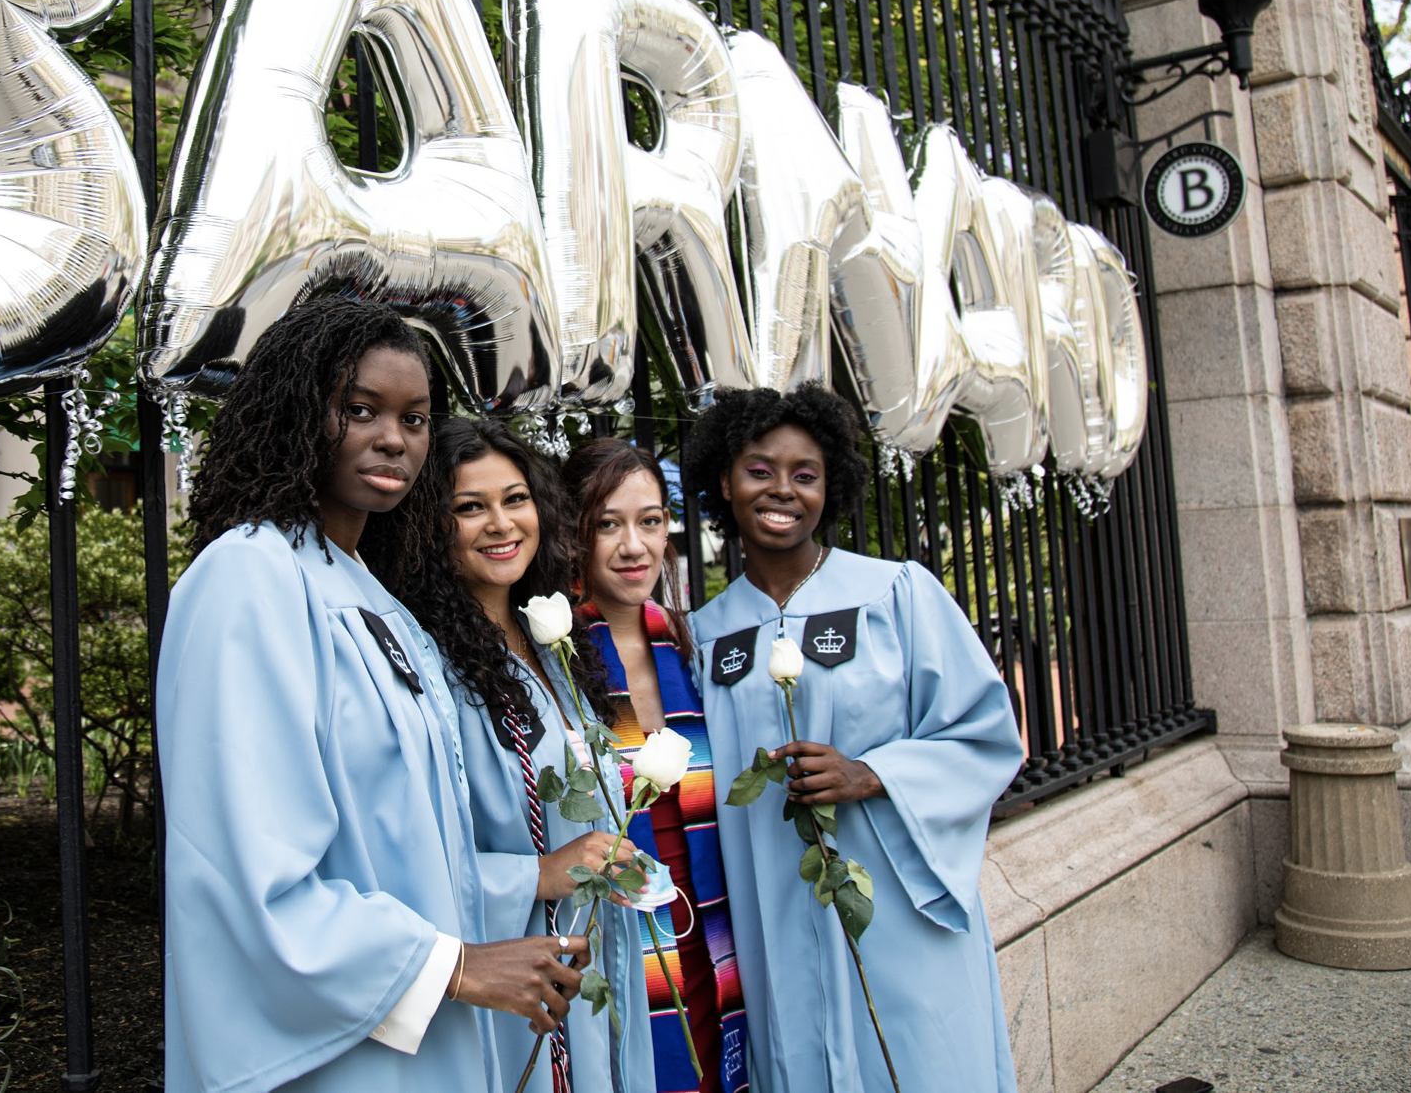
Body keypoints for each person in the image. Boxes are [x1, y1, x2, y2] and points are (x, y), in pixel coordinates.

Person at [157, 297, 589, 1093]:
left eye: (415, 419)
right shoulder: (250, 575)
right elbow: (244, 868)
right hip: (337, 1048)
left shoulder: (371, 594)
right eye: (359, 410)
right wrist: (455, 966)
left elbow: (424, 848)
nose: (394, 437)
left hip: (424, 1030)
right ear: (297, 415)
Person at [681, 384, 1025, 1093]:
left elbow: (987, 735)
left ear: (830, 486)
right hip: (770, 911)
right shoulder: (704, 635)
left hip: (892, 904)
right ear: (724, 480)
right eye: (759, 470)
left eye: (805, 475)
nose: (782, 490)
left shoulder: (896, 594)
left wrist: (872, 774)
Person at [383, 418, 654, 1093]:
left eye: (515, 499)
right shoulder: (428, 666)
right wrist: (534, 875)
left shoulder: (556, 641)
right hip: (511, 975)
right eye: (469, 507)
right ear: (428, 525)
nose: (501, 524)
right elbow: (401, 855)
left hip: (595, 952)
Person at [563, 437, 750, 1093]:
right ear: (575, 535)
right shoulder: (558, 658)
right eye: (607, 524)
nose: (634, 545)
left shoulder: (685, 640)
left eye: (649, 521)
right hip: (620, 934)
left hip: (706, 925)